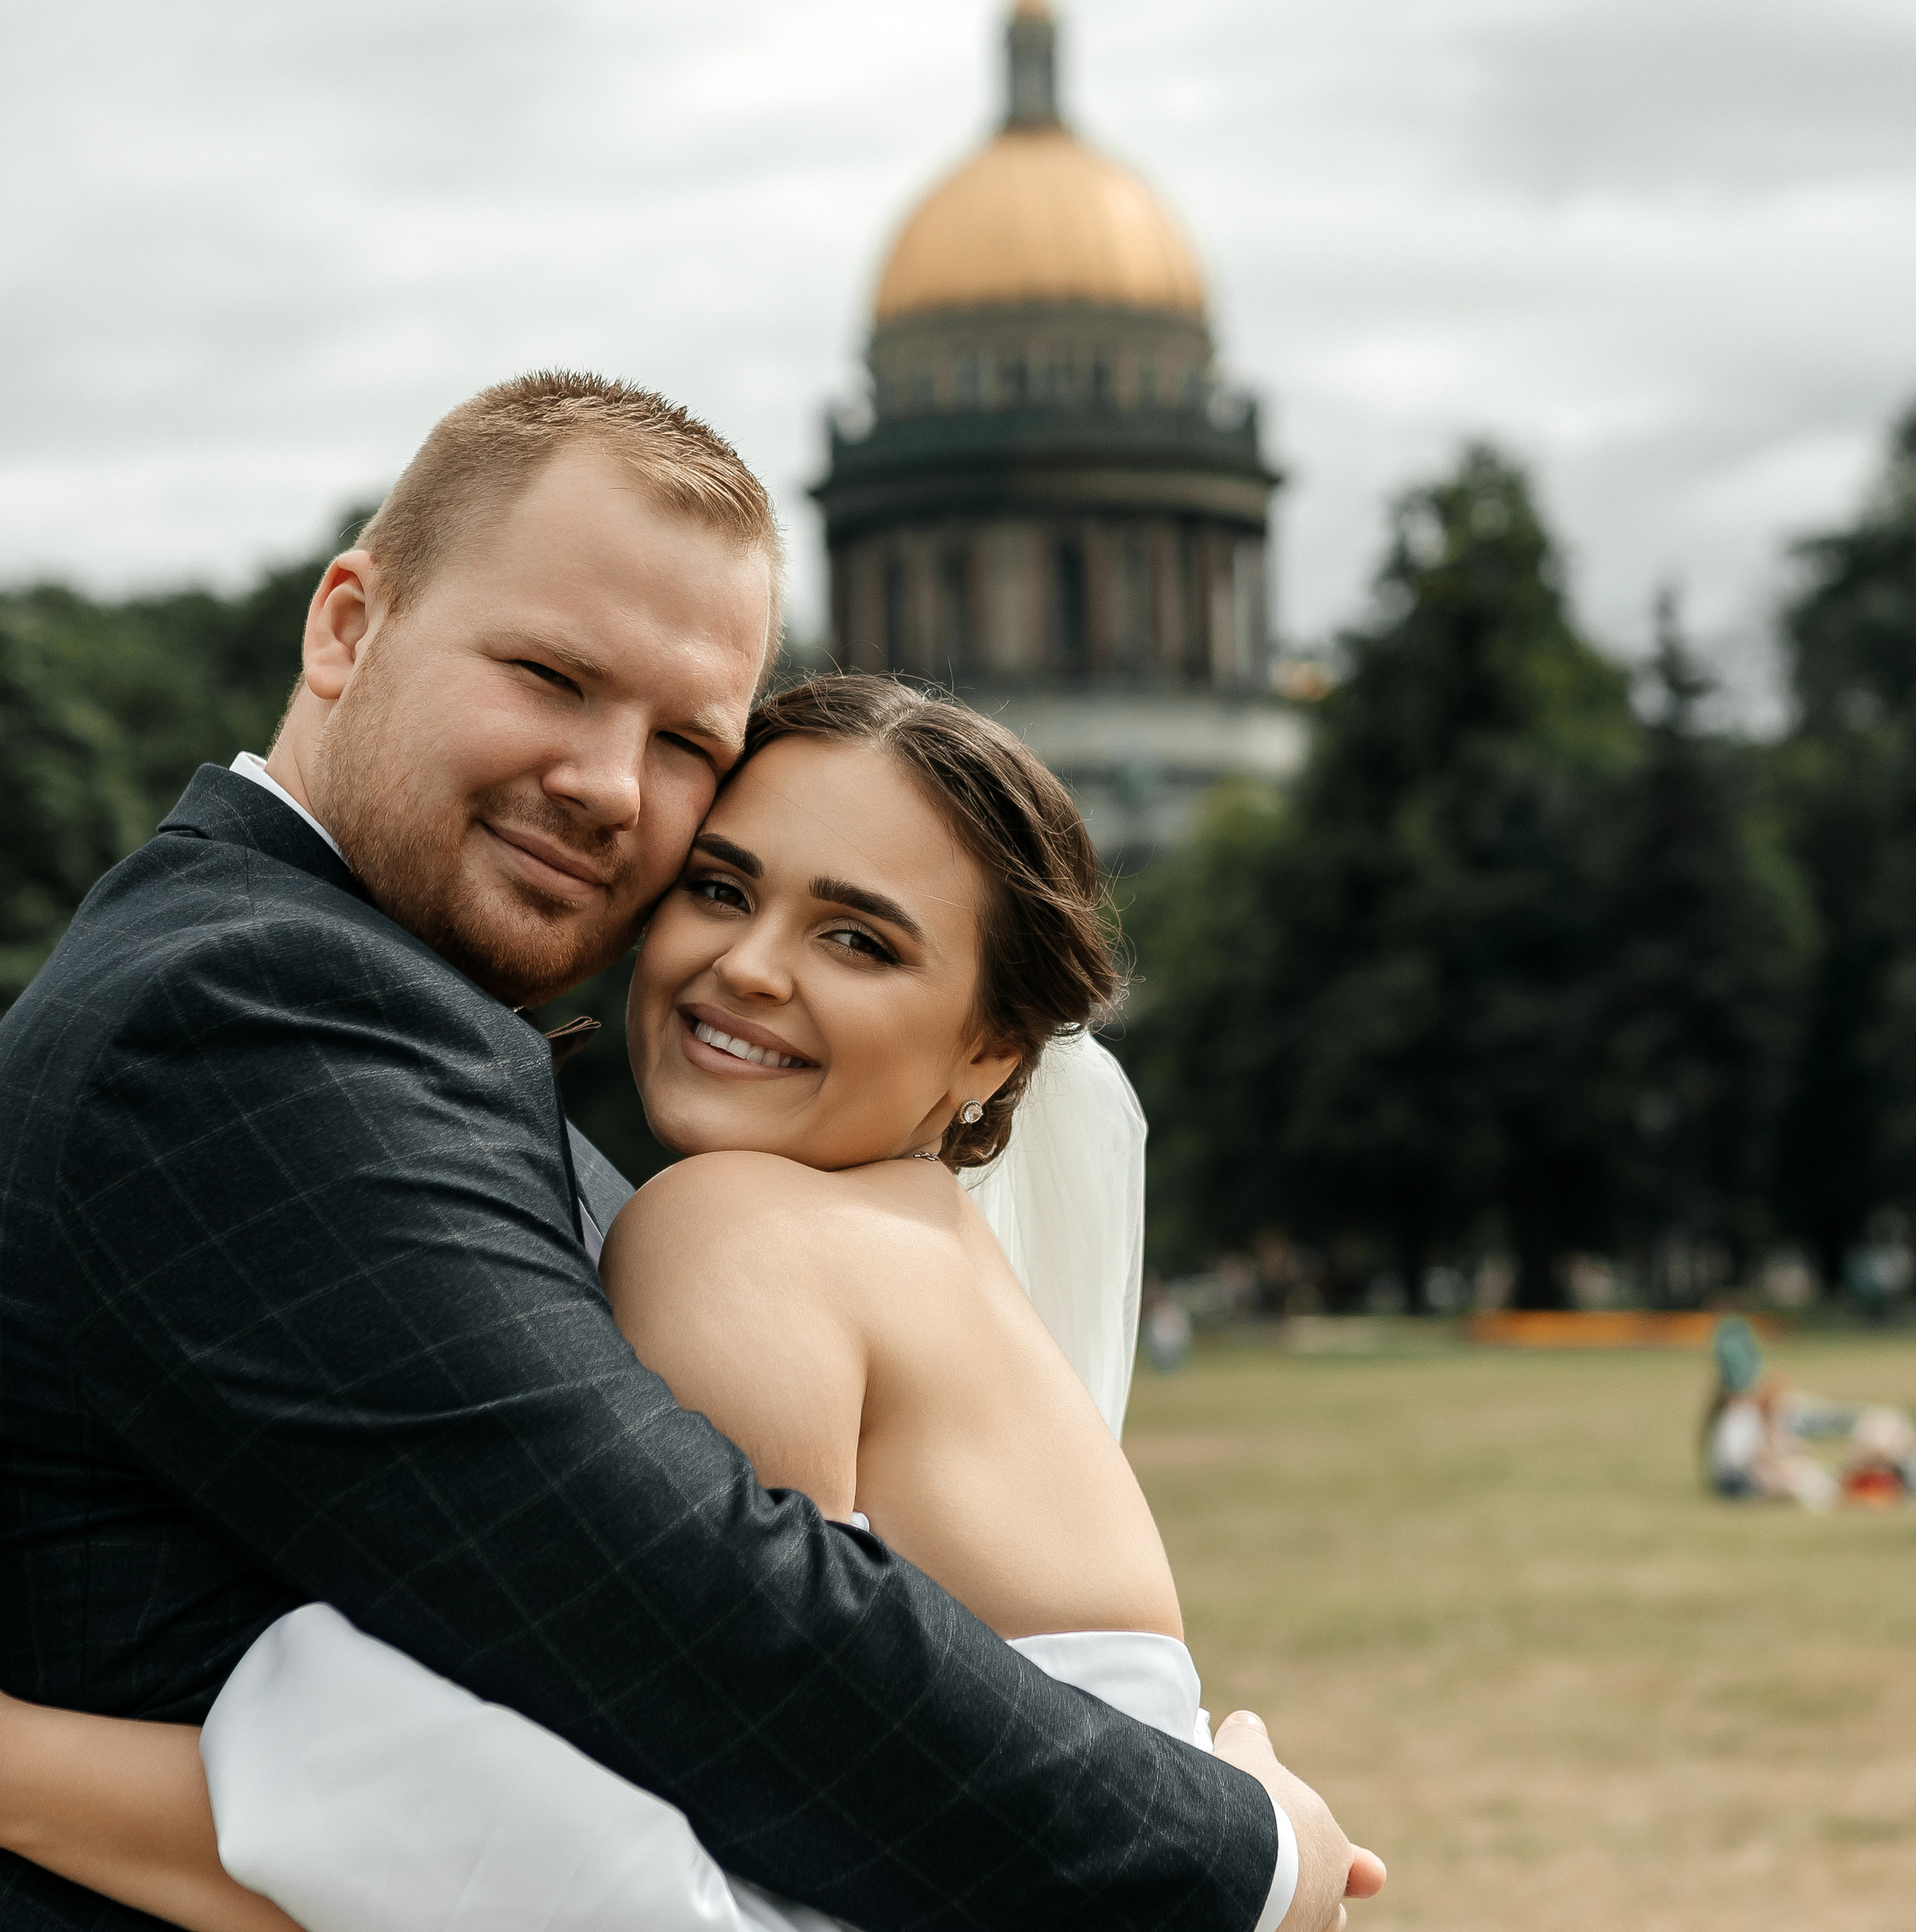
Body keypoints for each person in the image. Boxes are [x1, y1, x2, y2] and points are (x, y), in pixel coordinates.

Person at [0, 374, 1373, 1932]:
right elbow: (689, 1623)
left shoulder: (640, 1155)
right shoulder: (256, 1006)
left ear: (991, 1046)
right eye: (548, 673)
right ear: (344, 628)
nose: (602, 785)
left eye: (680, 742)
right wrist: (1230, 1840)